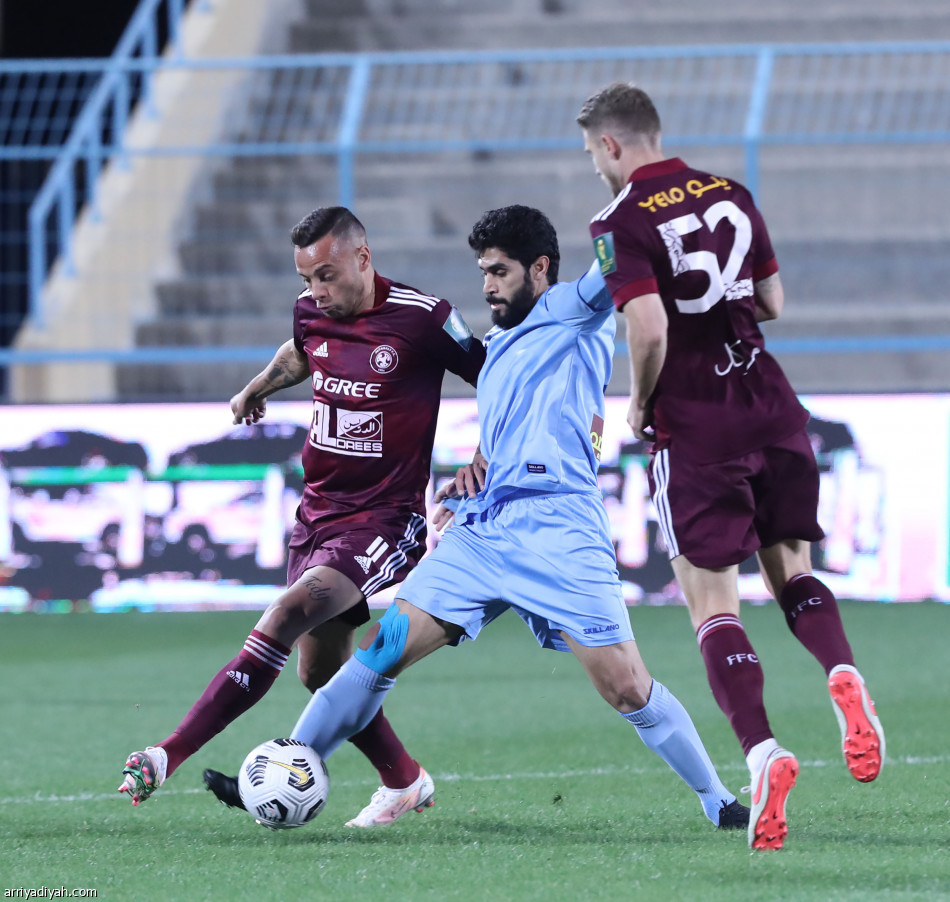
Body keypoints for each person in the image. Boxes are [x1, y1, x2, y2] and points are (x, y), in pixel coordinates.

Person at [208, 205, 750, 833]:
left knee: (627, 687)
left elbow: (622, 265)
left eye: (499, 272)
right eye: (482, 271)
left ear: (540, 269)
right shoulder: (494, 346)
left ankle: (720, 802)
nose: (487, 285)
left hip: (559, 529)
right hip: (484, 527)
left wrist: (638, 205)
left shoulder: (575, 309)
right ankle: (291, 768)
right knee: (380, 649)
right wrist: (480, 463)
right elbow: (513, 419)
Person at [576, 82, 885, 851]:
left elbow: (645, 328)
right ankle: (843, 675)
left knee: (713, 605)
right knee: (796, 570)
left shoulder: (618, 221)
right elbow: (773, 299)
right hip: (770, 404)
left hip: (698, 427)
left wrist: (641, 403)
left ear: (611, 144)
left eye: (590, 153)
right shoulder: (731, 193)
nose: (592, 167)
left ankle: (763, 751)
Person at [118, 206, 485, 827]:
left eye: (327, 275)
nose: (315, 291)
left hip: (383, 518)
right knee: (320, 673)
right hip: (317, 512)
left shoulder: (426, 319)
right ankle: (404, 780)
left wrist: (483, 457)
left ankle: (165, 754)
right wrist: (259, 386)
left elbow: (498, 378)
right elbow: (302, 350)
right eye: (306, 278)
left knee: (286, 614)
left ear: (363, 259)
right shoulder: (312, 309)